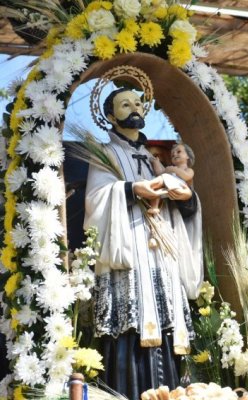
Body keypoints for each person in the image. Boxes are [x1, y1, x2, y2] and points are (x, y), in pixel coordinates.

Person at [84, 88, 203, 399]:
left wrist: (186, 198)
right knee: (130, 330)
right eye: (125, 104)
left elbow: (183, 204)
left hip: (162, 252)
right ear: (110, 115)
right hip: (129, 250)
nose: (134, 108)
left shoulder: (155, 158)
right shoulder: (107, 153)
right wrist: (132, 189)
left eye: (137, 102)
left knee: (167, 328)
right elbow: (95, 200)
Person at [148, 143, 195, 214]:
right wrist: (156, 163)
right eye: (172, 155)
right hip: (168, 189)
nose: (175, 154)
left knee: (163, 179)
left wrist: (175, 170)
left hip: (181, 189)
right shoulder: (170, 169)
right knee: (157, 185)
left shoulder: (188, 170)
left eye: (178, 152)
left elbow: (187, 176)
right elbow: (160, 174)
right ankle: (154, 207)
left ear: (187, 156)